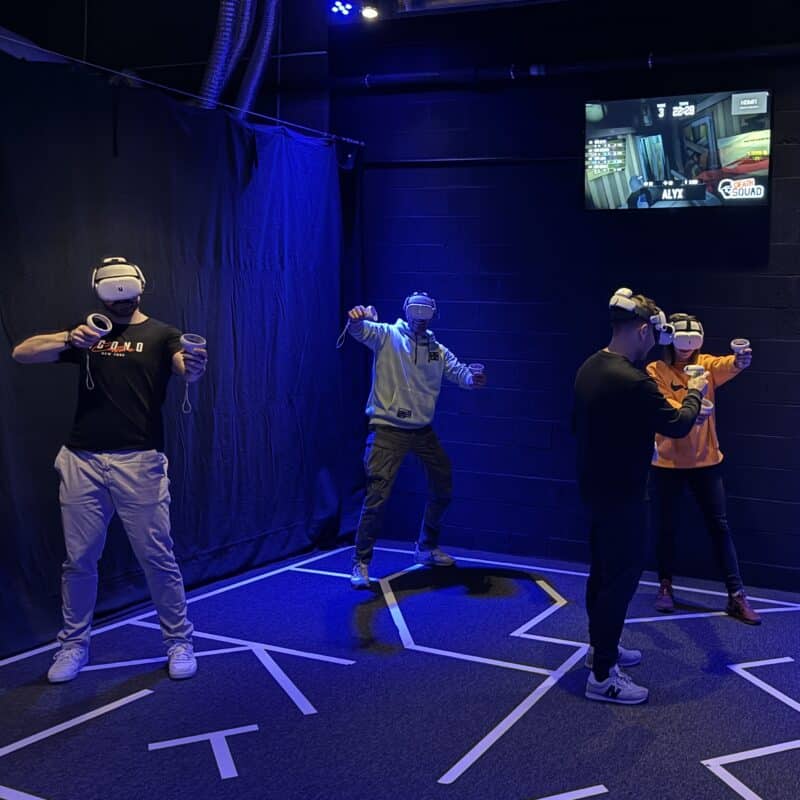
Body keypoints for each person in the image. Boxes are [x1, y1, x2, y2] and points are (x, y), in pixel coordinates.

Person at [11, 256, 207, 683]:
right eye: (113, 292)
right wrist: (70, 337)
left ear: (141, 287)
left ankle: (179, 641)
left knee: (157, 557)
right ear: (99, 291)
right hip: (81, 460)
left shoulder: (161, 334)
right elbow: (22, 353)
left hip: (139, 461)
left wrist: (192, 365)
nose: (121, 300)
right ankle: (73, 645)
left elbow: (184, 366)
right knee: (79, 560)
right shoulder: (88, 332)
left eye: (127, 291)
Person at [573, 288, 707, 704]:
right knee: (620, 581)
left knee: (602, 573)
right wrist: (695, 390)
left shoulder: (591, 367)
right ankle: (602, 677)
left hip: (596, 489)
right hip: (624, 494)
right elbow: (678, 424)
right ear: (643, 330)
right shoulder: (633, 380)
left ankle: (601, 650)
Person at [346, 292, 487, 589]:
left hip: (422, 431)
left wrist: (472, 379)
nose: (419, 318)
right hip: (387, 429)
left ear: (433, 315)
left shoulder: (437, 350)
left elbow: (459, 373)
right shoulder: (387, 335)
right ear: (406, 311)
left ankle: (426, 547)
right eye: (415, 311)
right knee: (377, 496)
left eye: (425, 312)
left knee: (442, 484)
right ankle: (361, 560)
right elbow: (360, 331)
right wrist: (357, 319)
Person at [646, 313, 760, 623]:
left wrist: (740, 360)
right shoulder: (655, 370)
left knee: (719, 527)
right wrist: (689, 412)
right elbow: (664, 407)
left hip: (706, 461)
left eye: (693, 341)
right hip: (667, 463)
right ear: (669, 338)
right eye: (682, 341)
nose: (687, 348)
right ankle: (665, 585)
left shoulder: (706, 365)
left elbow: (727, 364)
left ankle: (736, 595)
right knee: (666, 527)